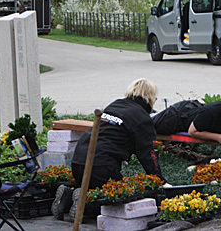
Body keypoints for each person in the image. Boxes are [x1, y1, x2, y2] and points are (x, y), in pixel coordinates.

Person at [52, 78, 168, 221]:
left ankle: (72, 194)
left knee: (96, 185)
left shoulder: (116, 104)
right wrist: (161, 181)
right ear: (150, 98)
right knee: (120, 196)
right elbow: (147, 154)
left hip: (79, 161)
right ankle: (85, 203)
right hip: (101, 166)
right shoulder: (141, 118)